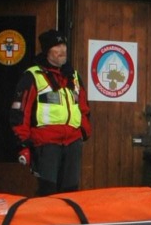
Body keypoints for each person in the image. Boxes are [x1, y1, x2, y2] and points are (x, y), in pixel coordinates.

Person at [10, 29, 92, 196]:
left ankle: (68, 222)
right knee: (48, 192)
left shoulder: (73, 76)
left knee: (71, 192)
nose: (62, 50)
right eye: (57, 46)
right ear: (47, 51)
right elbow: (20, 113)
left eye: (63, 45)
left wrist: (83, 132)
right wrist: (23, 144)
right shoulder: (33, 75)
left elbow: (83, 107)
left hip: (72, 143)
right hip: (46, 144)